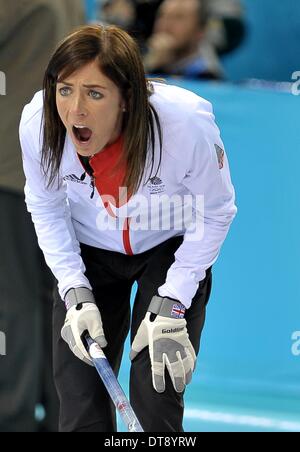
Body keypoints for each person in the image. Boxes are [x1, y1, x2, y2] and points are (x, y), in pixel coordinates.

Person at [19, 24, 237, 432]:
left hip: (168, 248)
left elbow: (217, 211)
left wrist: (174, 300)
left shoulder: (184, 124)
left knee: (156, 392)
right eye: (65, 90)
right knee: (81, 400)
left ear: (127, 99)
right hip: (89, 252)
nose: (75, 110)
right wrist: (73, 287)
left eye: (95, 93)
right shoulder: (38, 121)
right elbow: (46, 206)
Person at [0, 0, 85, 432]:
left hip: (12, 170)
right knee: (55, 302)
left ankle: (12, 415)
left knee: (13, 302)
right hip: (55, 168)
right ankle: (61, 416)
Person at [143, 0, 223, 80]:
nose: (166, 24)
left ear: (200, 30)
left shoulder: (207, 77)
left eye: (178, 17)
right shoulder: (145, 61)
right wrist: (151, 66)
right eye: (162, 15)